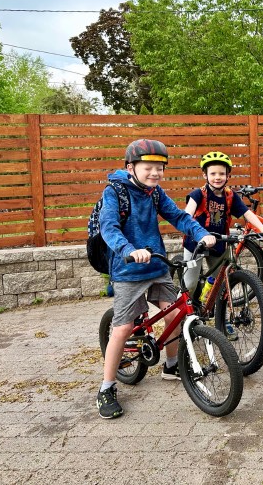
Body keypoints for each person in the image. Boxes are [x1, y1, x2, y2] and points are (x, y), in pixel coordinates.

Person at [96, 139, 217, 419]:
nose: (155, 173)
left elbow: (178, 216)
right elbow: (109, 227)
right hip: (128, 269)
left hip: (157, 264)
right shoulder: (114, 191)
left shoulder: (154, 192)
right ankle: (106, 387)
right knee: (123, 328)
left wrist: (201, 233)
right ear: (131, 167)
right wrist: (129, 250)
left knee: (172, 312)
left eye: (160, 168)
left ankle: (172, 365)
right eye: (149, 167)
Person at [182, 151, 263, 338]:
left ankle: (222, 323)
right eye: (213, 173)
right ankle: (186, 317)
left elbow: (247, 214)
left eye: (221, 174)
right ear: (205, 175)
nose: (217, 177)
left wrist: (262, 228)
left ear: (228, 176)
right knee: (189, 283)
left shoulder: (231, 196)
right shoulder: (198, 194)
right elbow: (186, 216)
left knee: (222, 286)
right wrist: (197, 233)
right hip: (196, 244)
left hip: (219, 244)